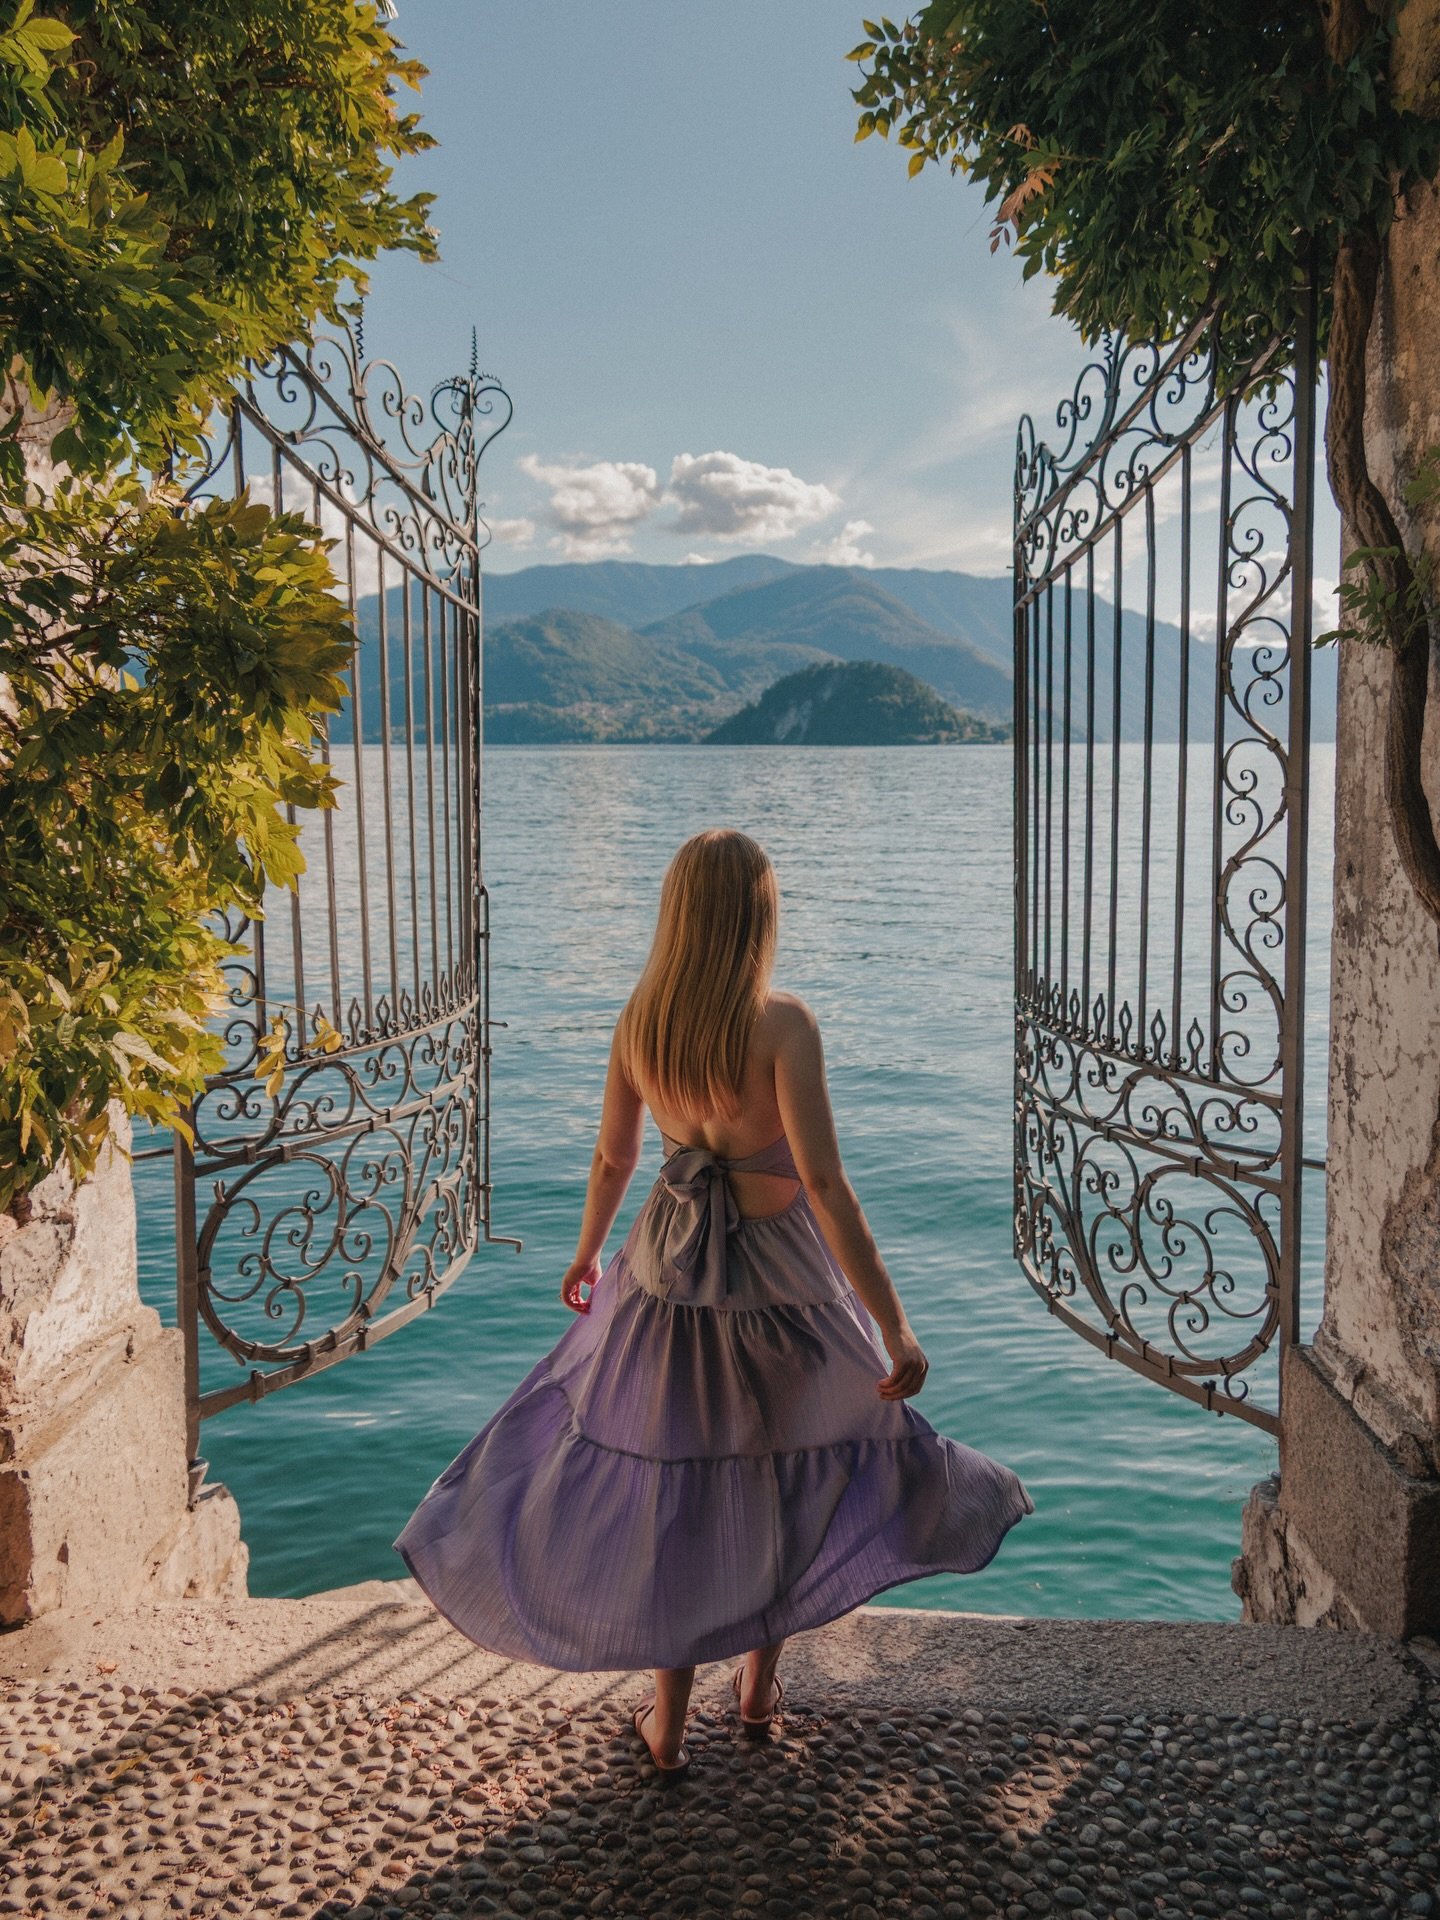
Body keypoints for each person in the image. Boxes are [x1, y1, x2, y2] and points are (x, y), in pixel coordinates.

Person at [393, 828, 1033, 1778]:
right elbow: (825, 1185)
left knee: (672, 1493)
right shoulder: (784, 1026)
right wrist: (893, 1322)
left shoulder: (640, 1022)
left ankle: (665, 1726)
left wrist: (585, 1253)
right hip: (782, 1295)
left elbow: (613, 1157)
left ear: (677, 916)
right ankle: (761, 1693)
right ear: (757, 918)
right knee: (777, 1479)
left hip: (663, 1286)